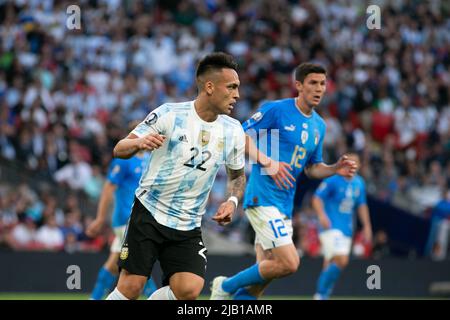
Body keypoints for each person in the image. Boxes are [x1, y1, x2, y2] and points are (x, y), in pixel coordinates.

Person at [210, 63, 358, 300]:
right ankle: (225, 286)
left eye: (322, 83)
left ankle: (233, 299)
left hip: (284, 206)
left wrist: (333, 169)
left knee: (261, 280)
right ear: (298, 85)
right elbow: (240, 135)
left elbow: (311, 168)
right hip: (262, 198)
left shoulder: (319, 125)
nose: (319, 88)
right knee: (290, 263)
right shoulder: (277, 110)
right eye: (313, 83)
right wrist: (268, 161)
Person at [106, 52, 246, 300]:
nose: (237, 95)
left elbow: (237, 176)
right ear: (210, 87)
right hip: (150, 213)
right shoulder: (170, 114)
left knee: (189, 289)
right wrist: (139, 143)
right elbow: (119, 149)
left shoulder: (233, 130)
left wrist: (232, 201)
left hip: (188, 223)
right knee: (131, 287)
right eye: (232, 87)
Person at [86, 144, 157, 300]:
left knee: (113, 264)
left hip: (139, 217)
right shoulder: (124, 160)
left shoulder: (149, 158)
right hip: (126, 218)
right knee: (138, 264)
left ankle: (95, 297)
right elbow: (108, 188)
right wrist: (100, 218)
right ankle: (153, 295)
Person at [312, 152, 372, 300]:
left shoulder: (359, 183)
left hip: (347, 229)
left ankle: (323, 294)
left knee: (331, 261)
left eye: (355, 163)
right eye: (349, 162)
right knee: (341, 259)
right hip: (330, 226)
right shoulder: (333, 179)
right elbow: (317, 198)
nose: (351, 165)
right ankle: (320, 294)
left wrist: (366, 226)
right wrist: (321, 215)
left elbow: (362, 205)